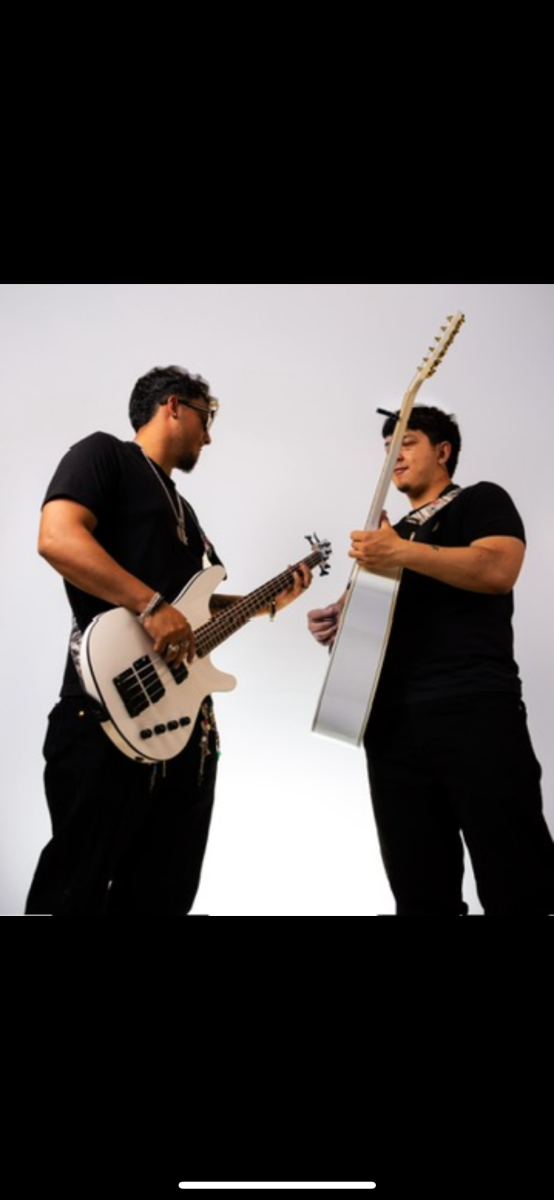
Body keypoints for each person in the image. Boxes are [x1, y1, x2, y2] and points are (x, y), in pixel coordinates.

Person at [26, 365, 312, 915]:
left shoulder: (188, 513)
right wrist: (150, 605)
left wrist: (268, 601)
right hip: (103, 713)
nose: (209, 436)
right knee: (73, 888)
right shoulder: (104, 454)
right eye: (207, 417)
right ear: (174, 405)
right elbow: (57, 537)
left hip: (185, 733)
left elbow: (194, 616)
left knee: (163, 895)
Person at [308, 405, 554, 915]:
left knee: (519, 881)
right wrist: (340, 619)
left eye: (406, 442)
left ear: (443, 451)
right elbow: (379, 621)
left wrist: (400, 552)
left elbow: (499, 569)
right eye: (386, 448)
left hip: (475, 710)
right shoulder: (387, 538)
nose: (393, 457)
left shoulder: (480, 500)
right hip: (390, 725)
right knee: (420, 893)